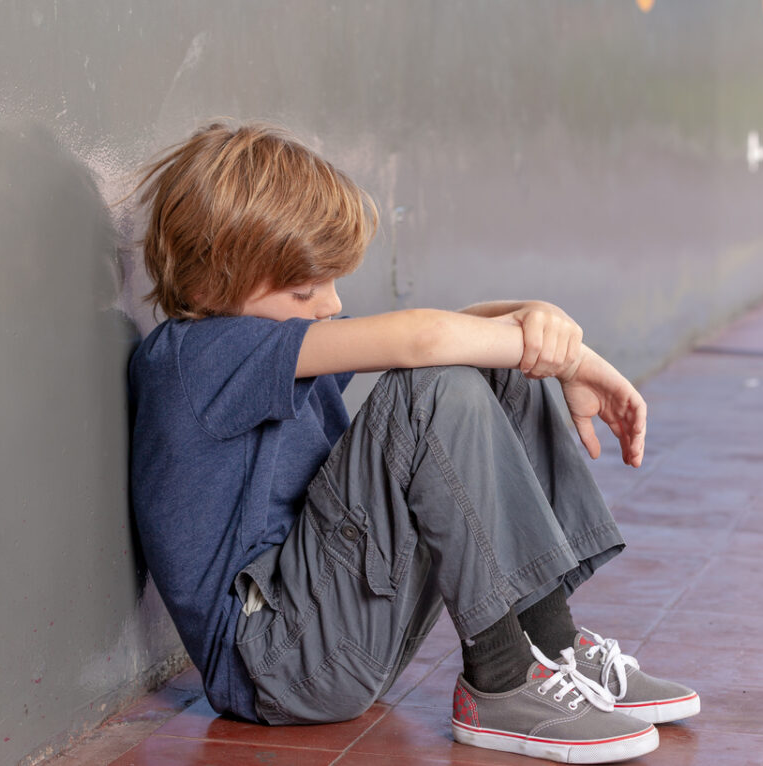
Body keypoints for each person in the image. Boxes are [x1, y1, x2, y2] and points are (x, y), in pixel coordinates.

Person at [127, 121, 699, 764]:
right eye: (305, 290)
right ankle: (502, 682)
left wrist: (533, 320)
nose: (330, 306)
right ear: (209, 286)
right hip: (278, 665)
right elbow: (420, 343)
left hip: (333, 634)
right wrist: (573, 360)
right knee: (431, 391)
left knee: (497, 366)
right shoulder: (194, 359)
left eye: (333, 283)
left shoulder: (266, 341)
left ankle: (552, 646)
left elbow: (448, 333)